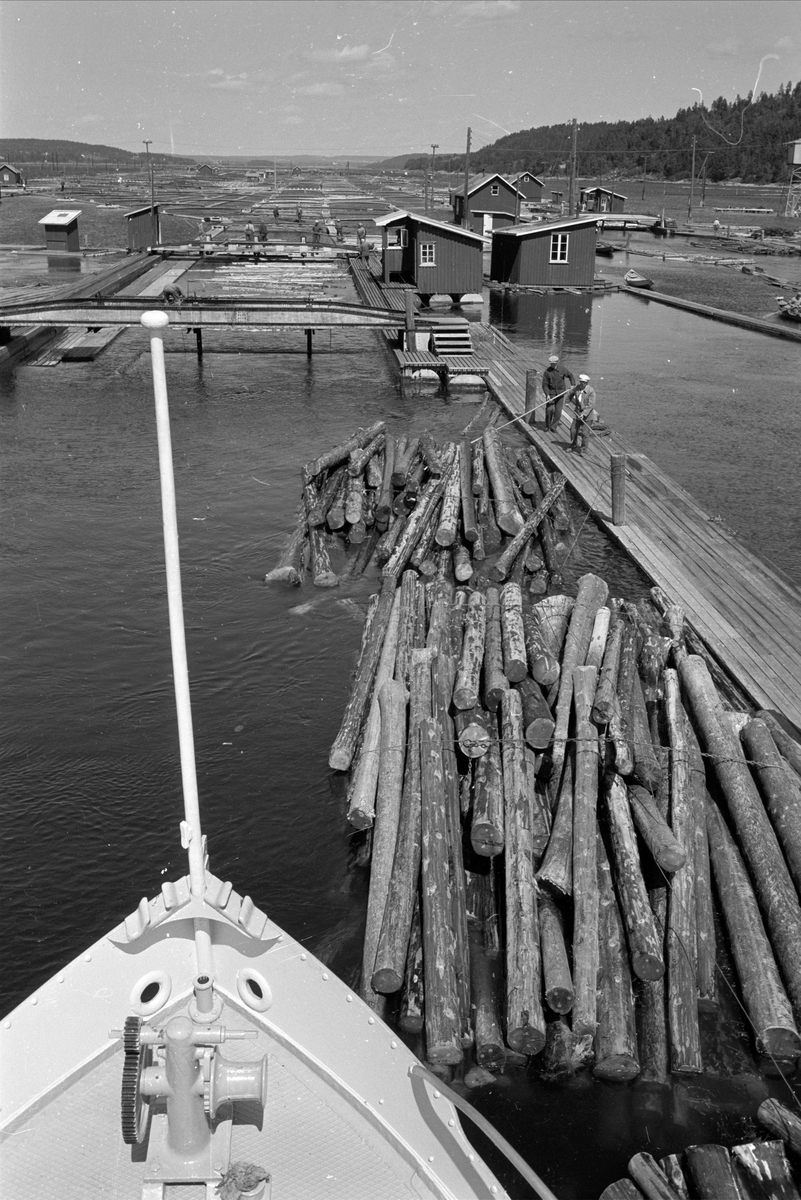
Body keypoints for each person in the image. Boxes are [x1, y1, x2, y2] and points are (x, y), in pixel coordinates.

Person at [541, 354, 575, 432]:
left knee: (558, 411)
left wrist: (572, 384)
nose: (552, 364)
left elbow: (571, 375)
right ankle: (547, 425)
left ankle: (554, 427)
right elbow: (544, 385)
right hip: (551, 393)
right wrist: (547, 394)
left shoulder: (562, 369)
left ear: (556, 362)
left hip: (560, 393)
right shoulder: (547, 372)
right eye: (551, 363)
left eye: (553, 363)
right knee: (549, 410)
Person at [568, 374, 597, 456]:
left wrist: (583, 414)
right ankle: (573, 444)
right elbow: (570, 393)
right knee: (573, 430)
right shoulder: (577, 388)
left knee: (585, 433)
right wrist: (567, 401)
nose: (581, 384)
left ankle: (583, 450)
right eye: (580, 382)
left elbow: (590, 405)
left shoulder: (591, 391)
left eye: (583, 383)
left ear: (587, 383)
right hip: (577, 413)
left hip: (587, 416)